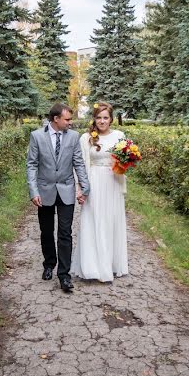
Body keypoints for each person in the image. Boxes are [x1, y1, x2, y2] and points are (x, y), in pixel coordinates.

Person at [26, 103, 90, 292]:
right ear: (56, 119)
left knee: (65, 233)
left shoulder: (73, 137)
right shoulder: (37, 136)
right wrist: (33, 191)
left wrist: (84, 187)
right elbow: (31, 165)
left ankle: (64, 274)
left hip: (66, 190)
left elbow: (78, 162)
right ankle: (49, 264)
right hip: (44, 191)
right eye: (67, 119)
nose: (70, 122)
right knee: (46, 231)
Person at [70, 102, 129, 282]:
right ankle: (92, 267)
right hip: (94, 182)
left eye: (105, 117)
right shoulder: (86, 138)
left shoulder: (119, 136)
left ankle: (110, 264)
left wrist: (128, 162)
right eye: (98, 117)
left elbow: (125, 159)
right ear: (94, 119)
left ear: (111, 119)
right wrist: (81, 188)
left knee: (111, 221)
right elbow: (80, 166)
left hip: (112, 182)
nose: (102, 121)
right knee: (93, 220)